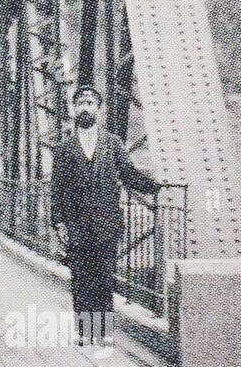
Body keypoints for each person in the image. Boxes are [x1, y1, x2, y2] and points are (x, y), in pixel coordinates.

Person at [50, 85, 160, 348]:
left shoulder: (112, 143)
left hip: (106, 224)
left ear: (98, 109)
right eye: (80, 103)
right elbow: (56, 189)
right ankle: (84, 332)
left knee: (103, 277)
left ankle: (102, 332)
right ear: (74, 109)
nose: (85, 107)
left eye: (90, 102)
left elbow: (128, 173)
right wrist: (59, 222)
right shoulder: (65, 148)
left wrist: (155, 185)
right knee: (81, 279)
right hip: (76, 226)